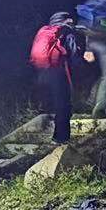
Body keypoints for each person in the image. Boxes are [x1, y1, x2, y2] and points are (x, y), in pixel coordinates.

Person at [29, 12, 82, 144]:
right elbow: (73, 54)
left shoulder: (44, 31)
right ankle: (60, 138)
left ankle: (44, 113)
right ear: (65, 21)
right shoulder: (66, 32)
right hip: (59, 70)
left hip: (42, 70)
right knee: (64, 104)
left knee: (53, 101)